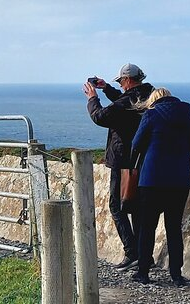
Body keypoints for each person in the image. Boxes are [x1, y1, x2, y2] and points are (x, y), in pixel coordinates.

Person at [83, 63, 154, 271]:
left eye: (122, 82)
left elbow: (101, 117)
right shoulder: (147, 94)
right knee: (138, 208)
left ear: (129, 80)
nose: (121, 86)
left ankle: (132, 253)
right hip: (142, 158)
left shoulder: (128, 99)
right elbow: (124, 102)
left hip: (123, 159)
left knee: (117, 206)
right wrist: (106, 88)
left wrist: (92, 98)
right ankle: (144, 255)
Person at [129, 88, 190, 286]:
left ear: (154, 100)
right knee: (174, 228)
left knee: (147, 226)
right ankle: (176, 275)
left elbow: (136, 144)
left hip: (152, 179)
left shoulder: (151, 115)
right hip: (179, 179)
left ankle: (143, 272)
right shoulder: (188, 116)